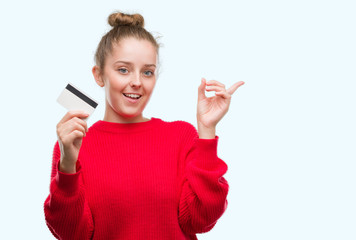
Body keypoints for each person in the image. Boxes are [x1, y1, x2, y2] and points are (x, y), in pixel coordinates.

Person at [43, 12, 244, 240]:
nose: (137, 82)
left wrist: (207, 132)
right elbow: (72, 234)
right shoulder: (74, 143)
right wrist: (68, 165)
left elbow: (201, 219)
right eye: (123, 70)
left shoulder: (181, 136)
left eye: (147, 72)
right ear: (99, 75)